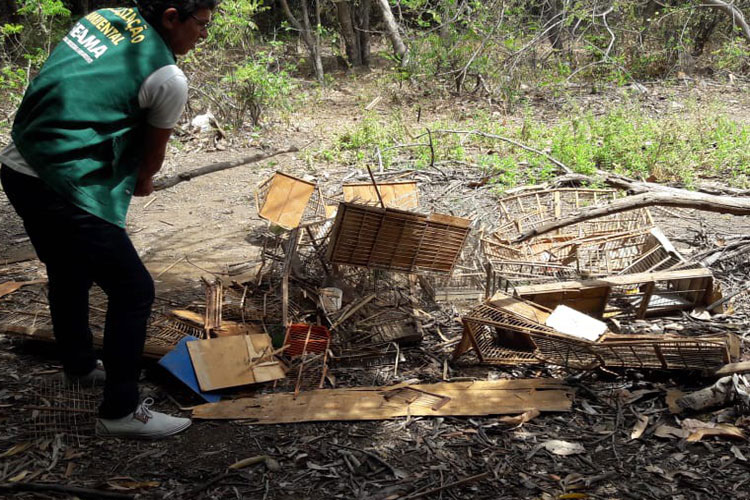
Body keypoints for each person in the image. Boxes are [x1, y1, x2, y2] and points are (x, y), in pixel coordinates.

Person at [0, 0, 217, 439]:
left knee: (68, 270)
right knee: (134, 289)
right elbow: (149, 166)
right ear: (172, 16)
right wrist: (141, 180)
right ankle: (121, 410)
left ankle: (79, 366)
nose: (203, 36)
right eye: (201, 24)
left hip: (18, 164)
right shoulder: (167, 76)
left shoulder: (102, 18)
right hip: (63, 186)